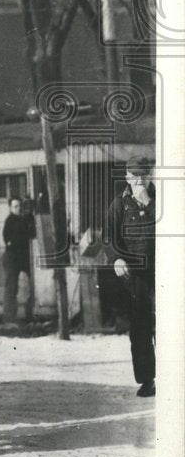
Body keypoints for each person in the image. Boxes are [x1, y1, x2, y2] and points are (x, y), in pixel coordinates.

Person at [105, 155, 156, 397]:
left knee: (170, 327)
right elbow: (109, 238)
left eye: (144, 175)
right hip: (136, 277)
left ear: (150, 176)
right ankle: (148, 379)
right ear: (127, 177)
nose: (140, 180)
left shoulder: (163, 200)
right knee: (141, 329)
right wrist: (116, 258)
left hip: (162, 272)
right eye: (135, 176)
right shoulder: (119, 205)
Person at [2, 197, 35, 324]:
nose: (18, 208)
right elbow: (9, 239)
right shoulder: (10, 221)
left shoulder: (22, 219)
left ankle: (29, 315)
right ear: (10, 208)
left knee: (29, 285)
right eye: (15, 206)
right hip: (11, 257)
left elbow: (29, 231)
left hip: (23, 257)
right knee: (11, 287)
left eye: (20, 206)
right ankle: (9, 318)